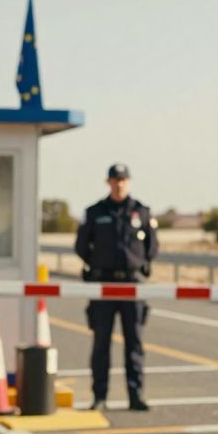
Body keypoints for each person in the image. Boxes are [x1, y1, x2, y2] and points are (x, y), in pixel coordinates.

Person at [74, 163, 159, 411]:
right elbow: (81, 246)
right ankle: (99, 396)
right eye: (114, 180)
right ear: (108, 182)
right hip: (104, 284)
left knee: (134, 342)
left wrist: (141, 264)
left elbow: (153, 247)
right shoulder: (95, 212)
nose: (119, 184)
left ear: (128, 182)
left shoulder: (141, 212)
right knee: (101, 342)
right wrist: (96, 266)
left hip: (133, 284)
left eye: (122, 180)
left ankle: (136, 395)